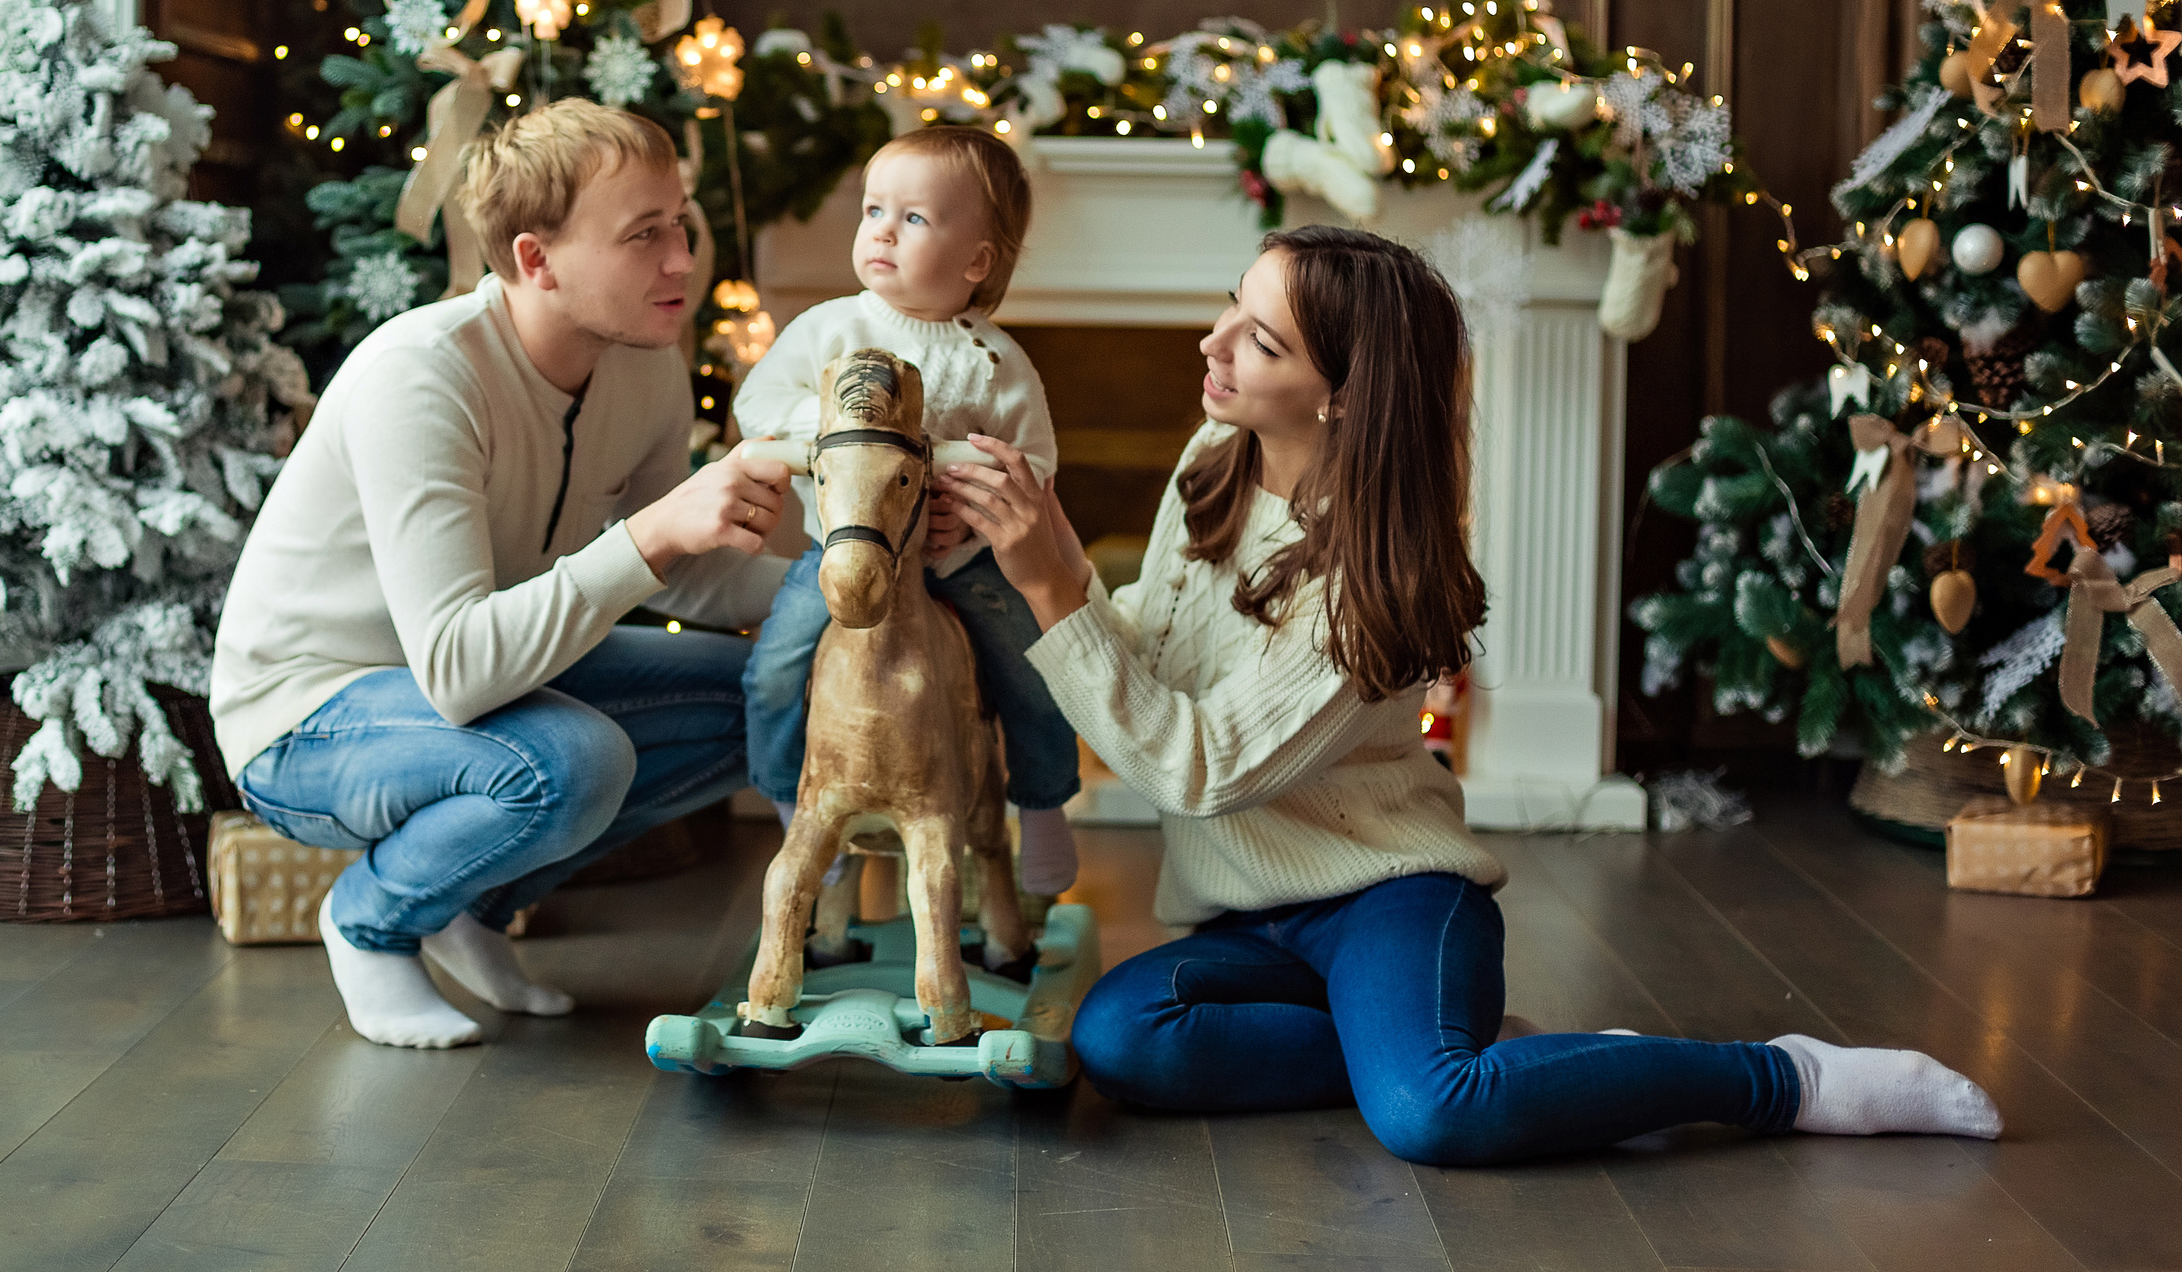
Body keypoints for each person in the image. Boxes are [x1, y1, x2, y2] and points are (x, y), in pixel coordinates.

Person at [937, 224, 2001, 1162]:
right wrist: (1044, 560)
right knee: (1121, 1040)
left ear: (1343, 393)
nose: (1211, 343)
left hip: (1390, 896)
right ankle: (1530, 1067)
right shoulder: (1218, 456)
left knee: (1433, 1115)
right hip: (1249, 922)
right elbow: (1152, 650)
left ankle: (1781, 1078)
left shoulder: (1381, 592)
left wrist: (1043, 581)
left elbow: (1196, 766)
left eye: (1260, 341)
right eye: (1232, 305)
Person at [211, 101, 792, 1050]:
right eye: (643, 236)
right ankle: (370, 920)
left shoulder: (645, 360)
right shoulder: (424, 376)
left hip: (488, 685)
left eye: (678, 223)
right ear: (536, 259)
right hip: (306, 717)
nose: (682, 260)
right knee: (576, 760)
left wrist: (851, 581)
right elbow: (458, 667)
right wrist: (652, 533)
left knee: (769, 698)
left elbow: (682, 580)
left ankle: (471, 910)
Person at [732, 126, 1082, 897]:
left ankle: (1044, 804)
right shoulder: (829, 329)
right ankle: (791, 802)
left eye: (914, 218)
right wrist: (834, 434)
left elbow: (1035, 461)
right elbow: (758, 403)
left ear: (977, 261)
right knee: (774, 670)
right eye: (873, 210)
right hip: (843, 552)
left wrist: (975, 506)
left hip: (953, 559)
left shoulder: (994, 361)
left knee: (1034, 671)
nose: (882, 230)